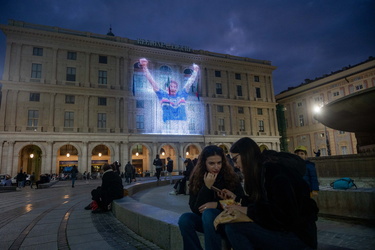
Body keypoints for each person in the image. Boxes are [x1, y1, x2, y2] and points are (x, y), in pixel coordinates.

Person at [221, 137, 319, 250]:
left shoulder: (274, 171)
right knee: (229, 225)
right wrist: (237, 198)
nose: (235, 165)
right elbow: (262, 203)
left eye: (235, 159)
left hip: (299, 236)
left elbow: (283, 215)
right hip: (288, 231)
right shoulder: (262, 171)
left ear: (246, 155)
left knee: (235, 229)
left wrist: (245, 210)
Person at [178, 145, 244, 250]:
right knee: (185, 219)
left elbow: (241, 201)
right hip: (206, 221)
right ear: (204, 163)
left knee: (209, 213)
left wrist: (217, 205)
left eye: (219, 163)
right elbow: (195, 208)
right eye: (211, 163)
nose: (216, 167)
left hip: (226, 221)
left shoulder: (231, 177)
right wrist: (207, 187)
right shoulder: (197, 177)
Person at [139, 58, 200, 122]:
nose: (173, 87)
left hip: (182, 123)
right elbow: (152, 81)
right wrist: (144, 67)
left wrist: (195, 71)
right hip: (168, 124)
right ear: (166, 88)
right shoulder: (163, 94)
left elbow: (190, 82)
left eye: (175, 86)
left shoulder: (182, 94)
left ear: (177, 88)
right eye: (171, 86)